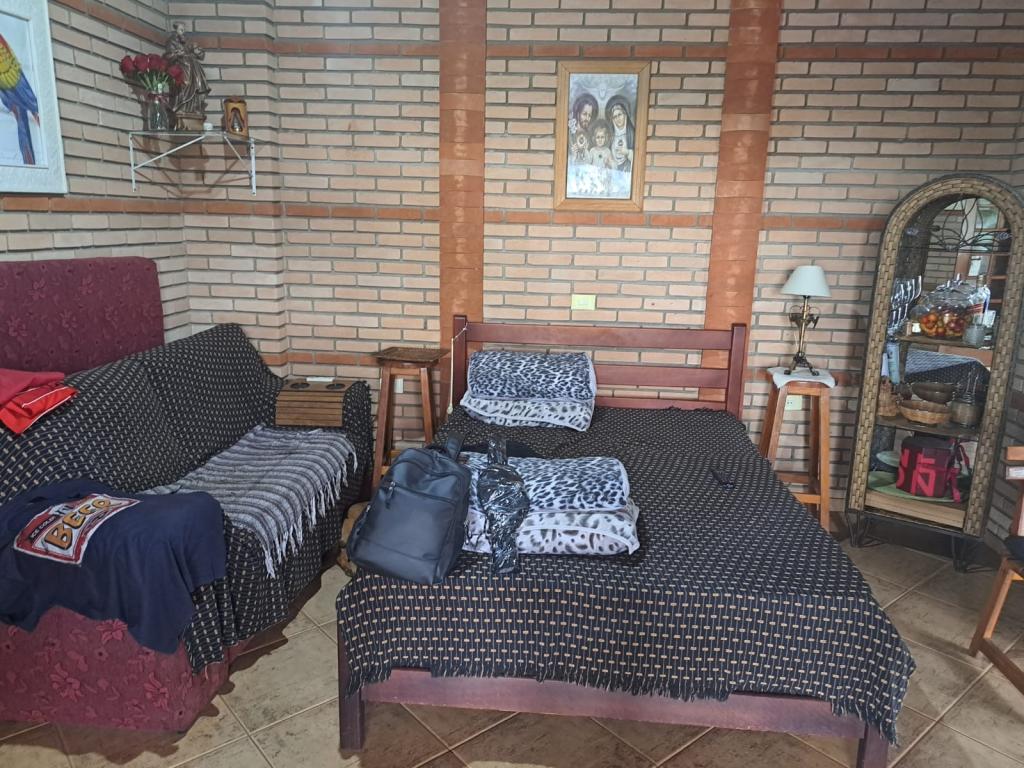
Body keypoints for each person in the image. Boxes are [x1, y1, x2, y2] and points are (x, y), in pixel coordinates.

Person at [165, 23, 210, 119]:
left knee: (196, 86)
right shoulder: (171, 41)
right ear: (176, 30)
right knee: (184, 85)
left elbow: (198, 52)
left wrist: (197, 50)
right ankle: (181, 107)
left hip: (193, 67)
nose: (183, 31)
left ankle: (193, 108)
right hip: (181, 67)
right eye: (181, 29)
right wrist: (177, 54)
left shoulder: (186, 40)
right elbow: (168, 56)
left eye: (183, 30)